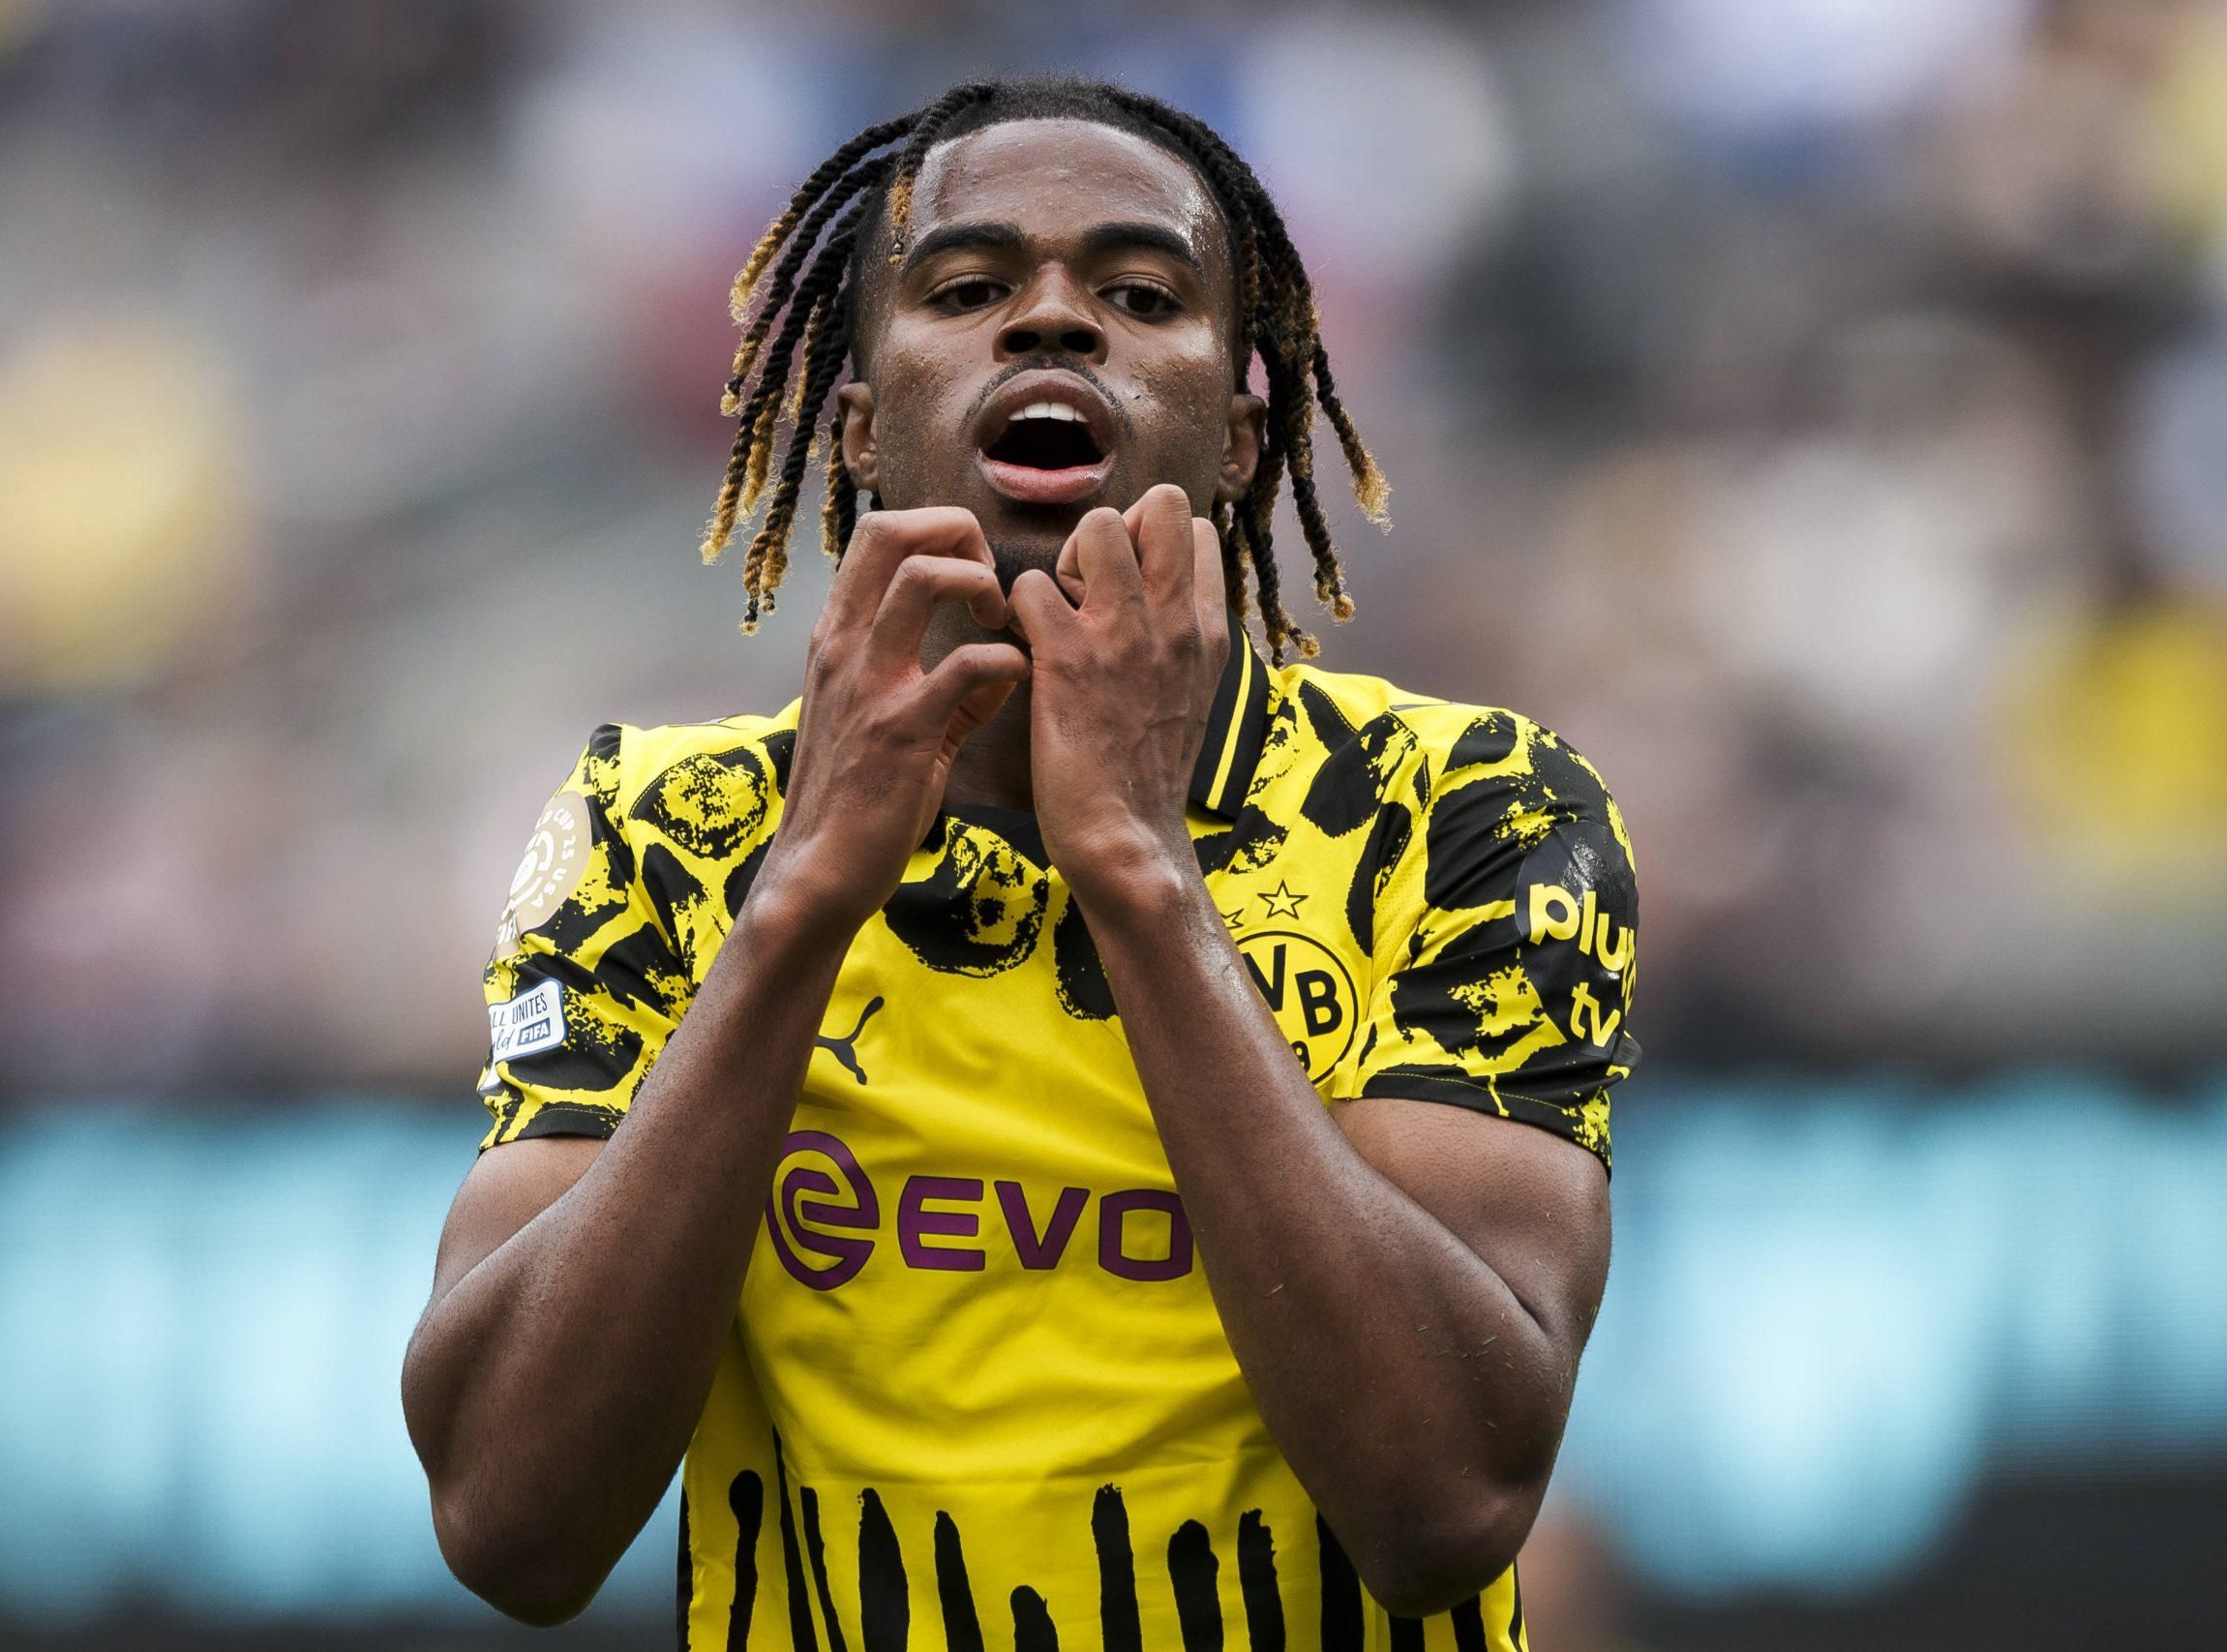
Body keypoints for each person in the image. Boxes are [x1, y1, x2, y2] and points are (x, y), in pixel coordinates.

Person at [403, 76, 1640, 1652]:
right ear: (862, 425)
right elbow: (511, 1524)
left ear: (1238, 438)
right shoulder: (655, 831)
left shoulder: (1471, 813)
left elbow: (1445, 1501)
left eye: (1143, 296)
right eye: (970, 287)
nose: (1052, 321)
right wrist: (799, 901)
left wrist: (1137, 868)